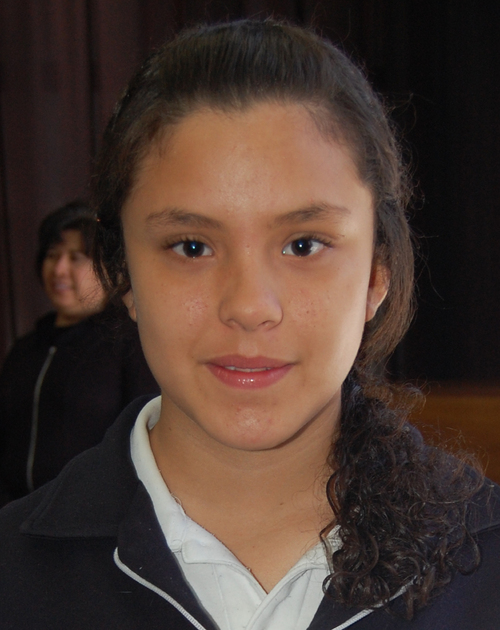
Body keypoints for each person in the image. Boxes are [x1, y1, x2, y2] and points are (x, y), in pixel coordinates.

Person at [0, 20, 499, 630]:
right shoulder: (13, 577)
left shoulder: (484, 564)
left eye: (303, 244)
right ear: (123, 274)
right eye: (191, 247)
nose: (249, 305)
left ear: (377, 274)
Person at [0, 201, 158, 505]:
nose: (60, 269)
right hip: (16, 520)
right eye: (52, 255)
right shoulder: (24, 350)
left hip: (92, 517)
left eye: (77, 258)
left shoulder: (129, 342)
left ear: (110, 267)